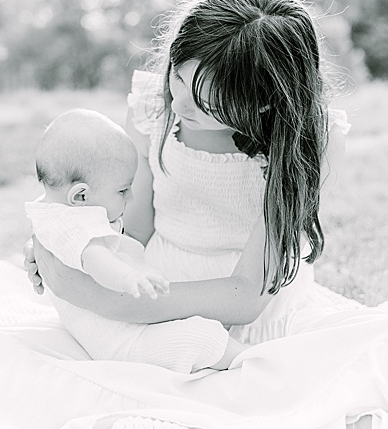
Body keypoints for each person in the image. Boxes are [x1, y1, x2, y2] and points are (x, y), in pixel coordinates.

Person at [0, 0, 388, 429]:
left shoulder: (299, 143)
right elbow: (135, 227)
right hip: (155, 287)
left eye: (209, 99)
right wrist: (81, 248)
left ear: (263, 100)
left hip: (243, 312)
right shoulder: (156, 109)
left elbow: (245, 296)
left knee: (363, 360)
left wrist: (114, 303)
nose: (184, 104)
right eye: (180, 79)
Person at [26, 108, 247, 373]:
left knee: (197, 328)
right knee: (203, 337)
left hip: (126, 327)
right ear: (81, 196)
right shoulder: (76, 225)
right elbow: (97, 258)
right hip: (126, 342)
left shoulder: (52, 211)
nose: (130, 198)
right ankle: (252, 360)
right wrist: (128, 278)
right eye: (122, 190)